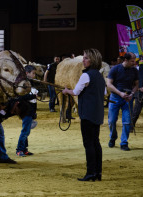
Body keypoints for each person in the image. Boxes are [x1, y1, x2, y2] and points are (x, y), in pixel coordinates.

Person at [62, 48, 105, 181]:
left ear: (92, 60)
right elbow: (103, 94)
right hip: (97, 113)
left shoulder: (86, 75)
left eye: (86, 58)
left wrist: (66, 91)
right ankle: (97, 173)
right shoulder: (99, 76)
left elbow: (75, 91)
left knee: (89, 144)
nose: (83, 60)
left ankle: (90, 173)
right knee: (96, 143)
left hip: (87, 113)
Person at [107, 52, 139, 151]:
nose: (134, 63)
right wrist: (120, 93)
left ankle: (124, 142)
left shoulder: (134, 70)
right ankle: (113, 137)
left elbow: (136, 84)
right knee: (111, 121)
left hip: (128, 99)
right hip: (115, 98)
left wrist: (132, 94)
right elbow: (109, 84)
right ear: (125, 60)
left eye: (134, 61)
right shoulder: (115, 69)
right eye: (132, 61)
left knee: (127, 122)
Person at [16, 65, 38, 157]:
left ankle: (24, 149)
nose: (34, 75)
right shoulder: (23, 85)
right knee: (25, 131)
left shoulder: (30, 83)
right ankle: (19, 149)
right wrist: (33, 96)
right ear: (27, 73)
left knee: (27, 131)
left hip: (31, 110)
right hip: (26, 111)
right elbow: (20, 97)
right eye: (33, 73)